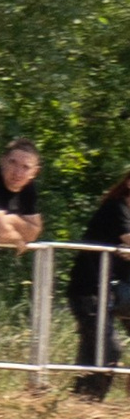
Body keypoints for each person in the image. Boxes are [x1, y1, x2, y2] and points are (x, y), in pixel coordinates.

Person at [67, 167, 130, 400]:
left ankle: (84, 399)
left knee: (96, 345)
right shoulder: (116, 208)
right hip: (89, 289)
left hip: (117, 290)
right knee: (106, 346)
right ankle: (87, 400)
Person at [0, 138, 44, 246]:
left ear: (34, 172)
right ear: (2, 161)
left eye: (26, 167)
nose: (18, 172)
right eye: (13, 163)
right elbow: (0, 233)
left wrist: (13, 219)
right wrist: (18, 239)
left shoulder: (28, 187)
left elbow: (33, 234)